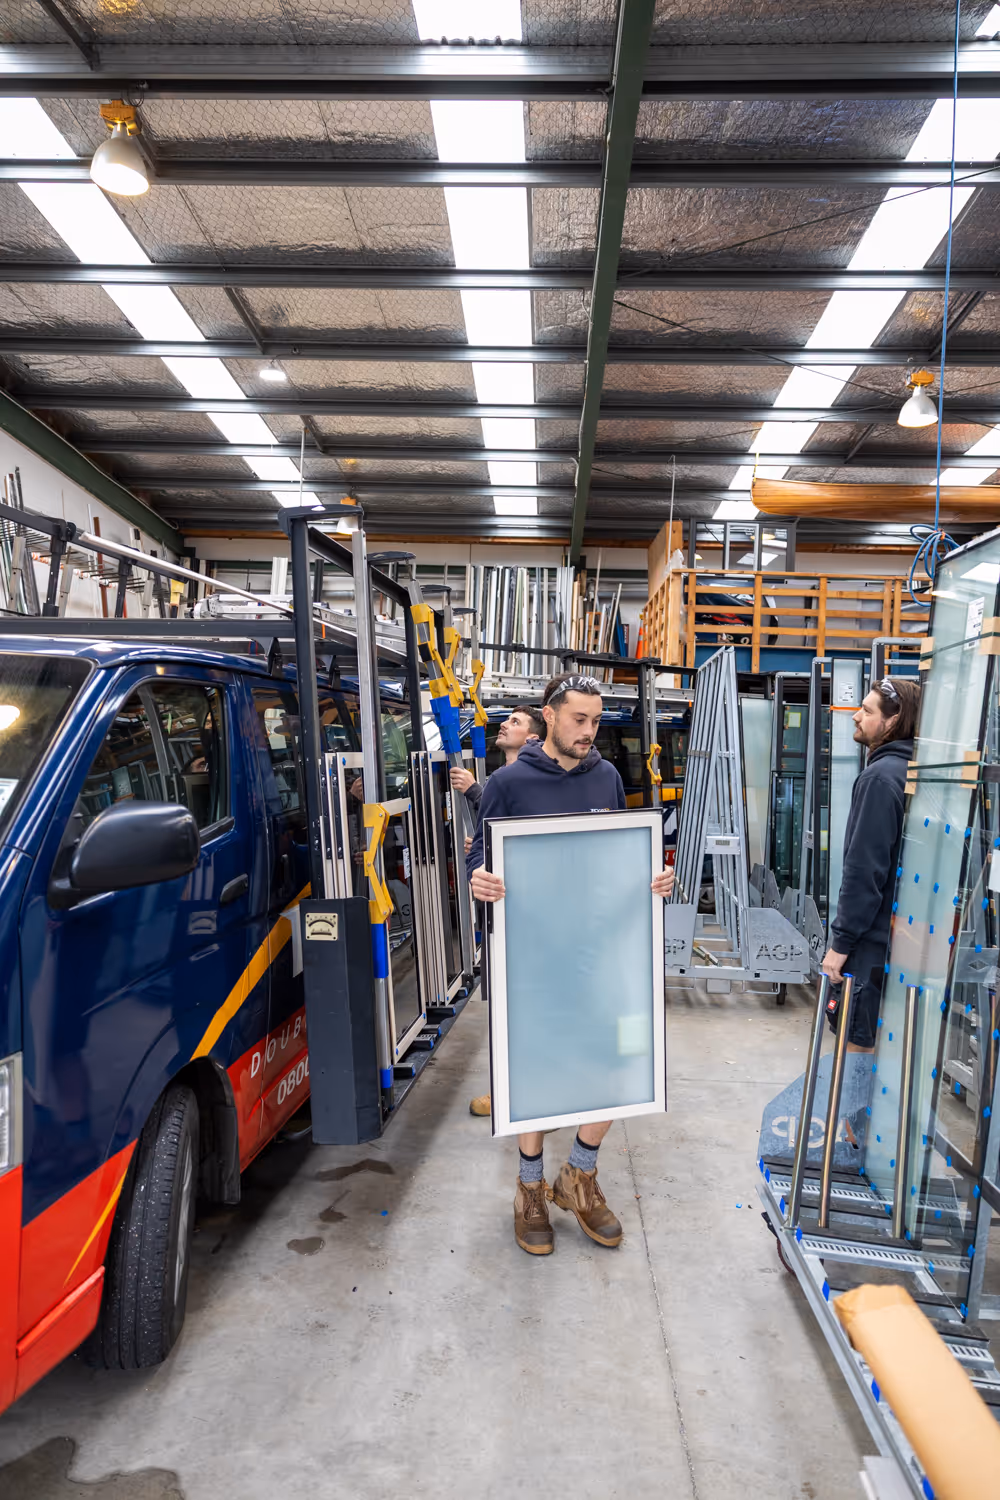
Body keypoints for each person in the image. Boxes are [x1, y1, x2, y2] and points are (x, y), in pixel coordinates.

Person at [468, 672, 675, 1257]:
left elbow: (617, 851)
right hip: (534, 951)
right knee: (536, 1070)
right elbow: (483, 853)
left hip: (601, 950)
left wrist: (652, 876)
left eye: (596, 721)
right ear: (550, 716)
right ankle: (529, 1188)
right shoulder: (507, 783)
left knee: (620, 1059)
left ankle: (577, 1176)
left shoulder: (606, 776)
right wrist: (478, 878)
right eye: (580, 720)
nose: (590, 732)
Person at [451, 703, 545, 1118]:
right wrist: (480, 857)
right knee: (505, 1007)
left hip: (533, 915)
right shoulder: (500, 780)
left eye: (516, 722)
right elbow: (490, 838)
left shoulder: (528, 782)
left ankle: (525, 1087)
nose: (504, 724)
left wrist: (475, 791)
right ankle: (506, 1085)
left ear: (534, 738)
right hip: (500, 914)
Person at [821, 676, 922, 1059]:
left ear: (892, 722)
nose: (855, 716)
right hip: (905, 943)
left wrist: (841, 944)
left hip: (871, 944)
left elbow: (865, 871)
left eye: (866, 711)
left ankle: (853, 1122)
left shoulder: (880, 779)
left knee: (857, 1049)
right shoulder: (915, 772)